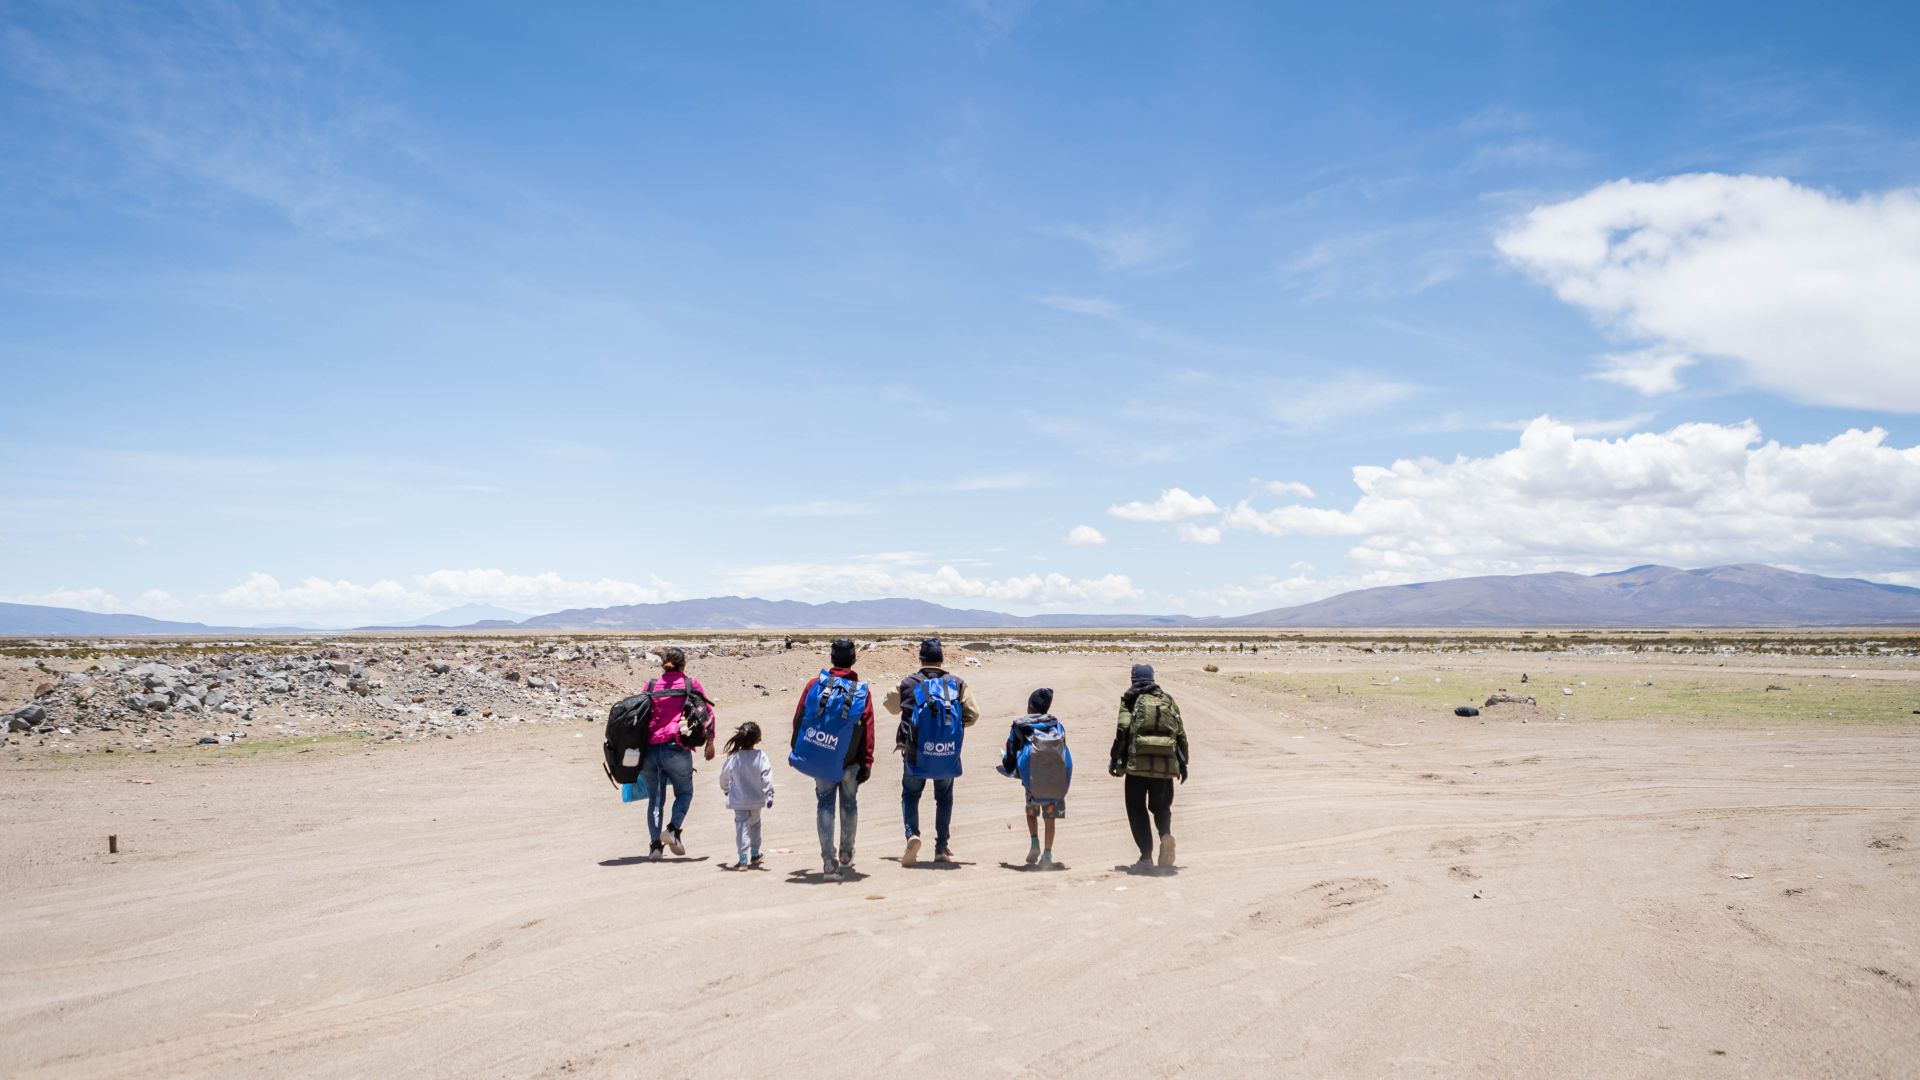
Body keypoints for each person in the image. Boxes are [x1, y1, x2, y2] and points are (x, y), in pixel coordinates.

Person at [884, 637, 979, 865]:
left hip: (915, 752)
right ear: (942, 659)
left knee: (910, 795)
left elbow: (889, 705)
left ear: (921, 659)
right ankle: (942, 848)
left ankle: (912, 835)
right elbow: (973, 714)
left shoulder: (908, 683)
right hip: (946, 753)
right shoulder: (957, 683)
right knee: (944, 798)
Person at [791, 636, 876, 878]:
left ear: (831, 658)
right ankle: (847, 854)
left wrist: (800, 748)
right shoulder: (860, 692)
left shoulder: (814, 685)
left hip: (821, 756)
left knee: (824, 804)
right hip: (850, 761)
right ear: (853, 659)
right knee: (849, 805)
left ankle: (829, 860)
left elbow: (799, 719)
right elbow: (868, 729)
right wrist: (866, 762)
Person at [1108, 662, 1187, 871]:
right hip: (1165, 764)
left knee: (1136, 809)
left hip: (1136, 767)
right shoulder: (1167, 699)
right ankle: (1165, 835)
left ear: (1133, 679)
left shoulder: (1130, 699)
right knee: (1161, 807)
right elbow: (1180, 734)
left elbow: (1123, 729)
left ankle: (1146, 856)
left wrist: (1115, 758)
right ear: (1153, 678)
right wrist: (1183, 763)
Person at [642, 647, 716, 860]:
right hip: (676, 748)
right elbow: (707, 714)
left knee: (655, 799)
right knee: (684, 793)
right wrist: (710, 742)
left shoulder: (650, 686)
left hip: (650, 750)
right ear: (683, 665)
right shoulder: (690, 685)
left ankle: (655, 847)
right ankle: (673, 830)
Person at [996, 687, 1069, 869]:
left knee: (1031, 811)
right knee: (1050, 817)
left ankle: (1034, 842)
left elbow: (1011, 752)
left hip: (1032, 781)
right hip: (1054, 780)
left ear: (1030, 707)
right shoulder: (1056, 725)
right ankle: (1048, 853)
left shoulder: (1021, 725)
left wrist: (1008, 766)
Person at [718, 721, 774, 870]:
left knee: (741, 827)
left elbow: (724, 776)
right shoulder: (761, 756)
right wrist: (769, 794)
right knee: (755, 825)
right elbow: (767, 775)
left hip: (739, 801)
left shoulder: (734, 757)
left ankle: (743, 859)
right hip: (756, 801)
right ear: (757, 739)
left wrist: (725, 789)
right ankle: (755, 853)